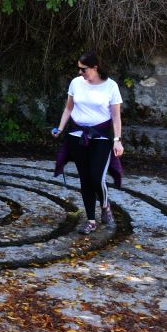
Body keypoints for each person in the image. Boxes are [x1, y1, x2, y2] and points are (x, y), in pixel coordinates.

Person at [52, 52, 124, 235]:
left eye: (83, 69)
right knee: (85, 180)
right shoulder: (76, 83)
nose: (80, 72)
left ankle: (105, 204)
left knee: (96, 177)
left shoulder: (111, 86)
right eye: (78, 68)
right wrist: (60, 128)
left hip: (100, 139)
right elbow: (69, 108)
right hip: (77, 137)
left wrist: (117, 140)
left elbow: (116, 116)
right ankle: (91, 220)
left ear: (95, 68)